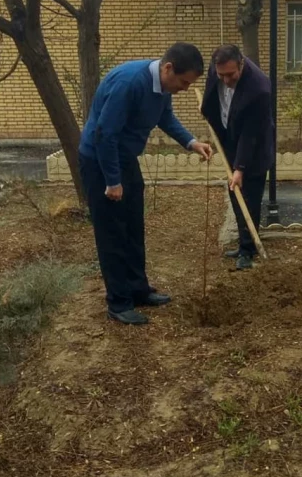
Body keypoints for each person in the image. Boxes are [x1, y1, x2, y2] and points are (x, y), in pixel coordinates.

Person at [79, 43, 214, 325]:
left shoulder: (161, 88)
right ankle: (118, 302)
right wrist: (112, 181)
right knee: (112, 233)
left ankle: (138, 289)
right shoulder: (130, 83)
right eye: (184, 81)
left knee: (132, 225)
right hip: (101, 161)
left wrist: (191, 143)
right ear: (168, 69)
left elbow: (165, 117)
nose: (186, 88)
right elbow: (105, 135)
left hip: (126, 159)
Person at [200, 44, 275, 271]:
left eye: (231, 75)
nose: (225, 80)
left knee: (249, 198)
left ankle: (248, 250)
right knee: (234, 194)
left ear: (241, 64)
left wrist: (240, 168)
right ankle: (244, 242)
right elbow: (211, 98)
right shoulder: (218, 70)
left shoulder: (259, 88)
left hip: (254, 146)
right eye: (221, 75)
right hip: (230, 139)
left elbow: (251, 134)